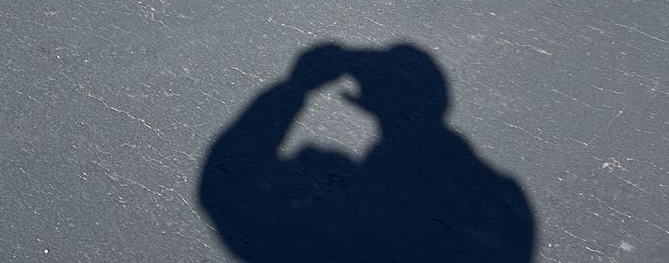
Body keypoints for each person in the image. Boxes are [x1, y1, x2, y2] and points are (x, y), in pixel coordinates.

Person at [198, 42, 535, 262]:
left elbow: (226, 185)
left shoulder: (326, 240)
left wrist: (294, 89)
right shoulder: (498, 201)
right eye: (312, 159)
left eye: (307, 158)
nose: (314, 149)